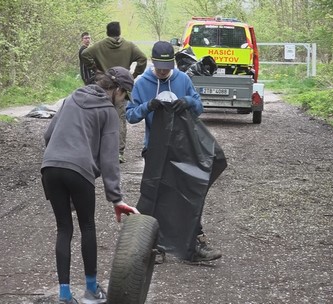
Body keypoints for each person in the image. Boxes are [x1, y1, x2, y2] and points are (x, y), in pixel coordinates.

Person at [41, 67, 140, 304]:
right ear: (116, 90)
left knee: (64, 228)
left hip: (50, 167)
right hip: (79, 171)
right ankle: (91, 290)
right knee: (87, 226)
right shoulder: (108, 112)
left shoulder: (72, 97)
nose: (124, 102)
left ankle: (64, 295)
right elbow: (109, 159)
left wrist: (59, 158)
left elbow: (48, 135)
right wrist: (116, 198)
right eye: (124, 96)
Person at [126, 41, 222, 263]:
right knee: (154, 196)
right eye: (159, 67)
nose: (163, 71)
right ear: (153, 62)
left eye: (167, 67)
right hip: (155, 148)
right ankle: (149, 246)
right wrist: (148, 106)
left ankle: (194, 246)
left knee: (189, 194)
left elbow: (199, 108)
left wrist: (187, 101)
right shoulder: (142, 83)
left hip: (183, 147)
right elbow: (131, 116)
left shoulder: (182, 79)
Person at [81, 21, 148, 164]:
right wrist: (134, 74)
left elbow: (85, 54)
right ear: (119, 31)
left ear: (107, 32)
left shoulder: (99, 46)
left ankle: (98, 150)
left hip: (103, 86)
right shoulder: (129, 46)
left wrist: (95, 69)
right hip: (121, 88)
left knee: (99, 116)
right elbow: (142, 58)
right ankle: (118, 152)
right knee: (119, 119)